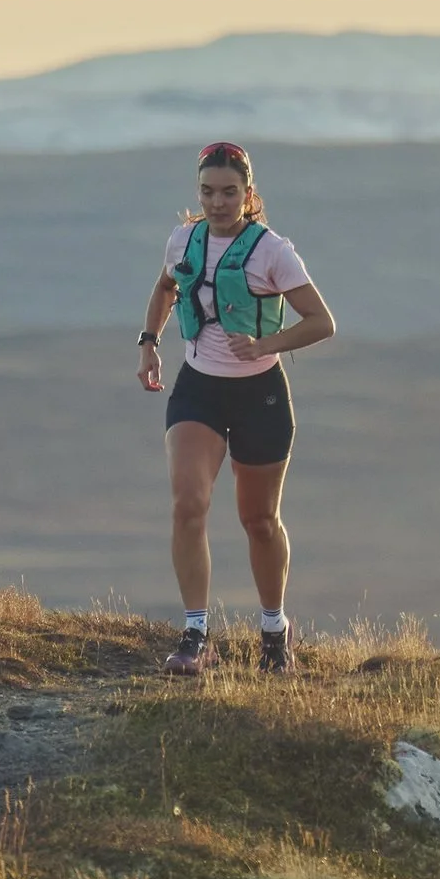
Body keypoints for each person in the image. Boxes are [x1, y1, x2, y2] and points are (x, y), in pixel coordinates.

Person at [135, 140, 336, 676]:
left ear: (248, 194)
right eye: (207, 191)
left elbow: (322, 322)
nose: (217, 202)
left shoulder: (273, 251)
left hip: (260, 396)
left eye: (229, 192)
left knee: (260, 521)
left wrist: (267, 345)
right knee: (188, 504)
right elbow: (165, 287)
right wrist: (149, 342)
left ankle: (274, 632)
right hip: (198, 389)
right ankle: (196, 632)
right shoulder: (184, 239)